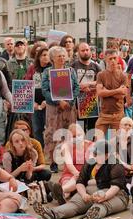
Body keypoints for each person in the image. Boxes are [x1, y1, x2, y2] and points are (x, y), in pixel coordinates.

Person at [34, 140, 129, 219]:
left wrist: (105, 196)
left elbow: (115, 187)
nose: (95, 156)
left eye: (99, 154)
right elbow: (80, 181)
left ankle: (92, 215)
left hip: (117, 195)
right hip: (93, 191)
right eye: (95, 154)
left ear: (107, 155)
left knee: (102, 205)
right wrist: (83, 194)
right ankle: (52, 214)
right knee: (75, 204)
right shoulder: (90, 163)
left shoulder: (115, 164)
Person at [42, 46, 80, 174]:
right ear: (53, 58)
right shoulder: (47, 72)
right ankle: (53, 162)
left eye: (63, 56)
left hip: (69, 108)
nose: (62, 58)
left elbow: (76, 87)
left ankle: (68, 161)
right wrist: (59, 101)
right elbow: (45, 90)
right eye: (59, 56)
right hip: (54, 108)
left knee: (69, 134)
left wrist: (69, 101)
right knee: (53, 134)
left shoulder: (71, 71)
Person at [48, 123, 93, 205]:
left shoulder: (91, 145)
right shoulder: (65, 146)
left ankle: (55, 192)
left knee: (73, 182)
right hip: (70, 173)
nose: (77, 138)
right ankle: (61, 196)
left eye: (79, 135)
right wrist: (76, 173)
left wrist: (81, 175)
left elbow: (90, 162)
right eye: (74, 136)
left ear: (84, 133)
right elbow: (69, 164)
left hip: (86, 173)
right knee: (68, 187)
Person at [95, 49, 128, 139]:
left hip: (118, 114)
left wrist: (106, 91)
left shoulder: (123, 76)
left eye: (114, 58)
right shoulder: (100, 75)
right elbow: (100, 93)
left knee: (117, 144)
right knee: (98, 142)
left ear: (118, 59)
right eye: (110, 59)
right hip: (104, 114)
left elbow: (122, 95)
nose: (113, 61)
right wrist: (117, 90)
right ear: (105, 59)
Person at [71, 42, 101, 132]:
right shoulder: (73, 66)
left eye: (87, 50)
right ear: (78, 52)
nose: (85, 52)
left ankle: (91, 145)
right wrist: (79, 86)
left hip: (92, 101)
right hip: (77, 101)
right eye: (83, 50)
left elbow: (101, 81)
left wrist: (88, 85)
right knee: (80, 128)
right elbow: (69, 82)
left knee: (92, 129)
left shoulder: (96, 66)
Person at [24, 47, 51, 147]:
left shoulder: (52, 68)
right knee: (37, 129)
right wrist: (32, 102)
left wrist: (47, 100)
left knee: (49, 129)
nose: (46, 57)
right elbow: (27, 85)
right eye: (43, 55)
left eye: (48, 55)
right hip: (35, 105)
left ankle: (49, 151)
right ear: (38, 57)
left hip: (49, 103)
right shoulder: (32, 68)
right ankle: (40, 150)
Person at [111, 117, 133, 183]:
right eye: (125, 124)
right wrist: (127, 166)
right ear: (120, 126)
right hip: (121, 169)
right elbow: (115, 157)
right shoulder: (112, 141)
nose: (127, 127)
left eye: (130, 125)